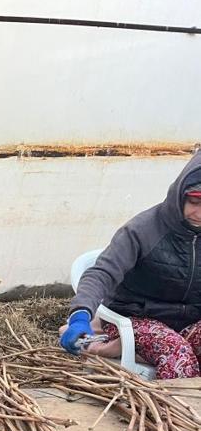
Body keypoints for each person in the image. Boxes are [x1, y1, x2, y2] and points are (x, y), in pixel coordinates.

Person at [60, 152, 201, 379]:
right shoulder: (144, 229)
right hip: (135, 318)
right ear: (180, 197)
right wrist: (80, 314)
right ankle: (175, 412)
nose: (199, 213)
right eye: (194, 202)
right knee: (176, 352)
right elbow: (101, 273)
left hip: (190, 320)